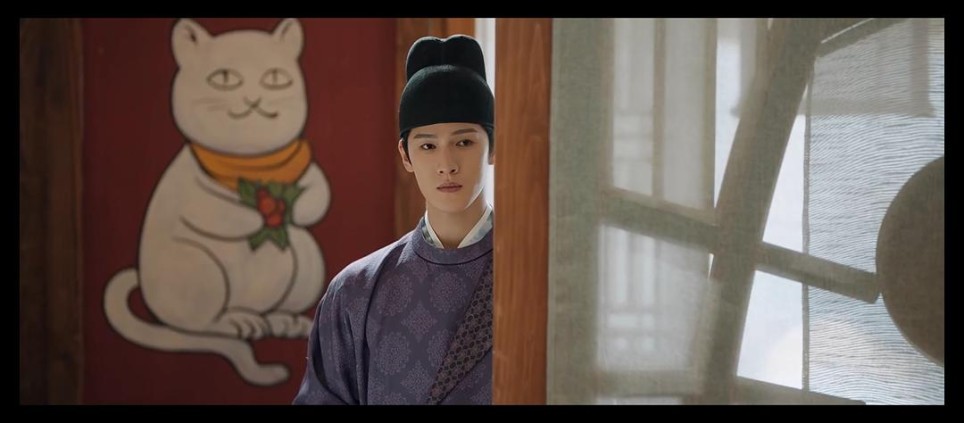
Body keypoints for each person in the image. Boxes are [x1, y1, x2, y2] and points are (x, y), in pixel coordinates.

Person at [293, 34, 495, 405]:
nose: (447, 164)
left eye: (464, 142)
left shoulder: (531, 280)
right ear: (405, 155)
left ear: (493, 147)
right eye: (428, 145)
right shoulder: (356, 291)